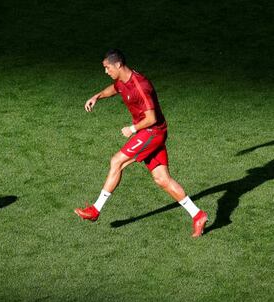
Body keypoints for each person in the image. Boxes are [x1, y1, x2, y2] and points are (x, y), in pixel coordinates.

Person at [74, 49, 208, 237]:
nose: (106, 71)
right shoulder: (122, 81)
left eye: (107, 67)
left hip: (152, 131)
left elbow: (152, 118)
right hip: (150, 132)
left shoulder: (140, 86)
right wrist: (97, 96)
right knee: (162, 179)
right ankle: (198, 215)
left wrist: (133, 129)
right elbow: (114, 88)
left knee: (116, 161)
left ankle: (95, 210)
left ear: (118, 64)